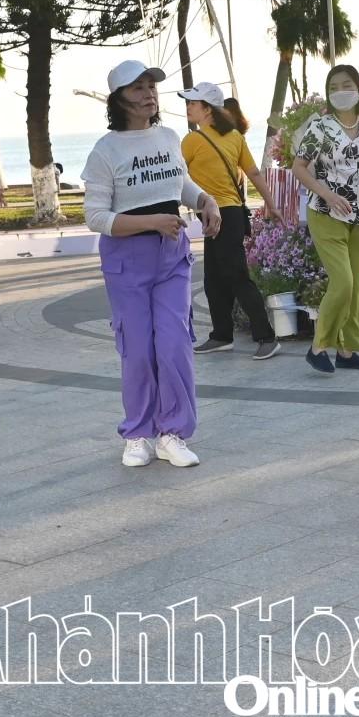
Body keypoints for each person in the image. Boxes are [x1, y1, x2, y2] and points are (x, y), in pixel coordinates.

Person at [82, 60, 222, 468]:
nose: (148, 93)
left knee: (175, 344)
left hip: (171, 255)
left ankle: (173, 432)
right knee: (138, 349)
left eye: (151, 86)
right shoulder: (105, 151)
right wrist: (151, 223)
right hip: (127, 260)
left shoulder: (169, 137)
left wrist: (205, 200)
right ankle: (138, 433)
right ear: (118, 99)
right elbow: (96, 217)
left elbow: (179, 183)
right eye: (137, 88)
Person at [291, 65, 359, 375]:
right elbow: (299, 167)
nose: (340, 91)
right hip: (325, 213)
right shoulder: (320, 128)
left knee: (356, 285)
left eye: (346, 84)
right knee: (343, 282)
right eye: (333, 87)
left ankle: (346, 352)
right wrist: (329, 194)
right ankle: (318, 346)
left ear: (358, 88)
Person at [183, 82, 280, 359]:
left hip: (224, 214)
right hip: (227, 214)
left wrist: (272, 204)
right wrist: (271, 204)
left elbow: (175, 176)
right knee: (213, 278)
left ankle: (267, 337)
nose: (188, 107)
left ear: (208, 109)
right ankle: (221, 335)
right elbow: (255, 174)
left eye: (193, 103)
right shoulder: (235, 136)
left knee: (237, 277)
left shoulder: (193, 140)